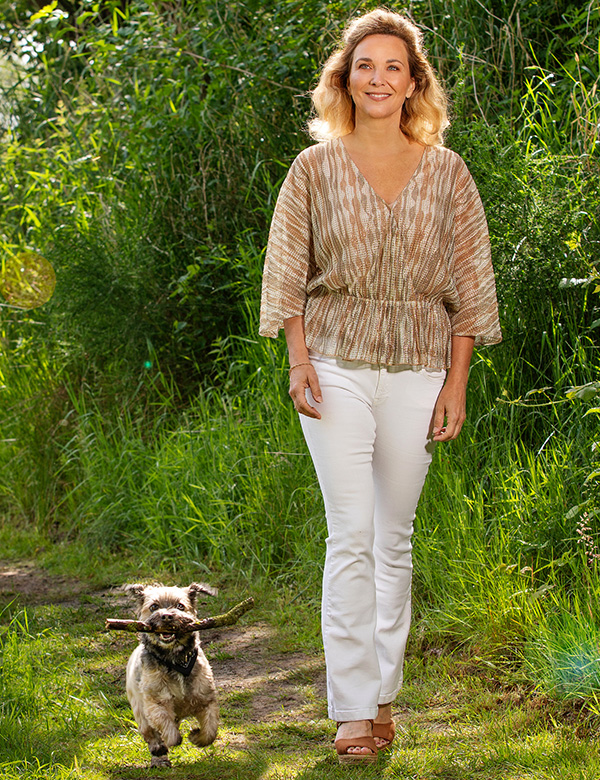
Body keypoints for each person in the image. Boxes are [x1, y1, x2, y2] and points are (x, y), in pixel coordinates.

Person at [259, 8, 501, 765]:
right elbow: (286, 270)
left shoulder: (448, 170)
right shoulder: (314, 170)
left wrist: (456, 382)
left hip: (421, 364)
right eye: (365, 65)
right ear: (344, 77)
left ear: (413, 82)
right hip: (333, 360)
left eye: (394, 66)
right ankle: (352, 710)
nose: (378, 78)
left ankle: (384, 694)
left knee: (394, 538)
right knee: (351, 535)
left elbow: (470, 284)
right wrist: (298, 359)